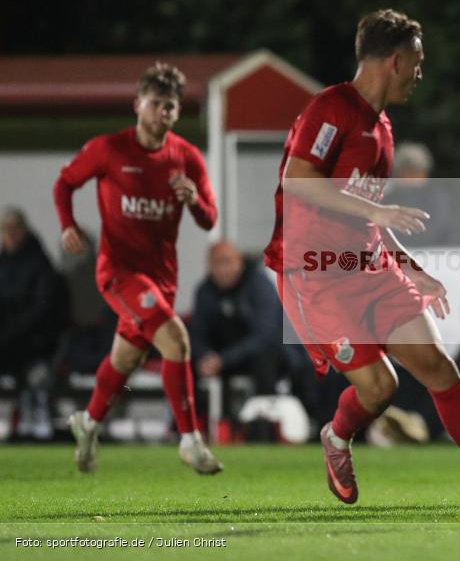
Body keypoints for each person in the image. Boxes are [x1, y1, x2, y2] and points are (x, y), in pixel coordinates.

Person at [263, 9, 460, 524]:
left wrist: (411, 267)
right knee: (380, 388)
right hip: (313, 272)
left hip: (369, 264)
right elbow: (298, 180)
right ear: (396, 60)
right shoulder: (331, 108)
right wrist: (374, 211)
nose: (420, 74)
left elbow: (367, 221)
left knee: (437, 366)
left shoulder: (381, 128)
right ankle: (337, 436)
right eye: (418, 63)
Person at [53, 62, 222, 474]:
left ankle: (88, 423)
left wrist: (193, 201)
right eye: (155, 104)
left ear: (177, 112)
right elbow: (65, 183)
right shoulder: (110, 149)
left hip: (162, 277)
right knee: (176, 341)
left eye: (170, 106)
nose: (162, 112)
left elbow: (209, 218)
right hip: (118, 272)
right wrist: (68, 225)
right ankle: (189, 440)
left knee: (125, 359)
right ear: (137, 105)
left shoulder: (186, 157)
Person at [190, 241, 293, 434]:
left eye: (227, 262)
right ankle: (191, 428)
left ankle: (262, 429)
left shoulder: (259, 286)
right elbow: (196, 333)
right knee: (185, 362)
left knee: (266, 359)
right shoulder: (204, 291)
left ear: (240, 263)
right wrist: (205, 356)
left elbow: (265, 335)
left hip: (255, 356)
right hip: (219, 357)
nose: (222, 270)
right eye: (216, 264)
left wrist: (223, 359)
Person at [0, 207, 68, 440]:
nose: (9, 235)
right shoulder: (3, 265)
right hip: (8, 342)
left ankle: (33, 414)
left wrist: (9, 333)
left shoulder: (40, 266)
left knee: (34, 371)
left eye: (13, 229)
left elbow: (42, 312)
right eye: (4, 230)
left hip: (31, 345)